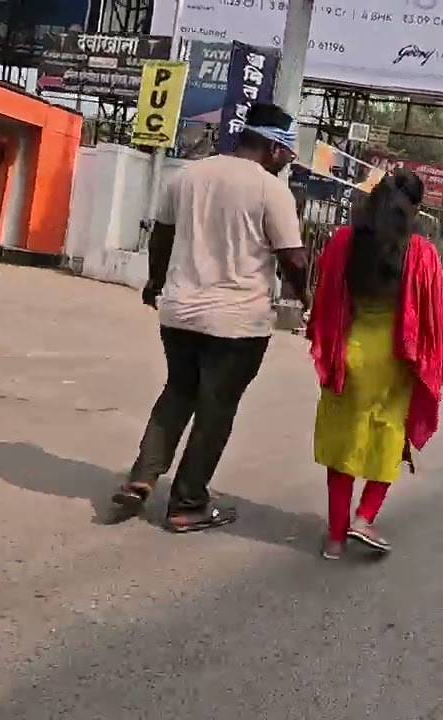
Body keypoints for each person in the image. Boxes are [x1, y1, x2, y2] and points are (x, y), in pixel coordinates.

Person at [111, 102, 309, 532]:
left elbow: (160, 237)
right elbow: (293, 257)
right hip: (237, 323)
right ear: (275, 148)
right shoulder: (270, 190)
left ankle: (141, 479)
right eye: (287, 156)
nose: (286, 164)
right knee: (216, 409)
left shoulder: (187, 176)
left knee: (177, 393)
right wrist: (304, 293)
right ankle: (187, 502)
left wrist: (155, 282)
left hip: (179, 314)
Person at [306, 169, 443, 559]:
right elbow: (434, 320)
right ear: (417, 210)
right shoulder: (421, 253)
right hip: (394, 360)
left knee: (344, 441)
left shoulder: (344, 240)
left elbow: (325, 298)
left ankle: (335, 540)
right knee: (388, 438)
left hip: (350, 354)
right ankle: (364, 517)